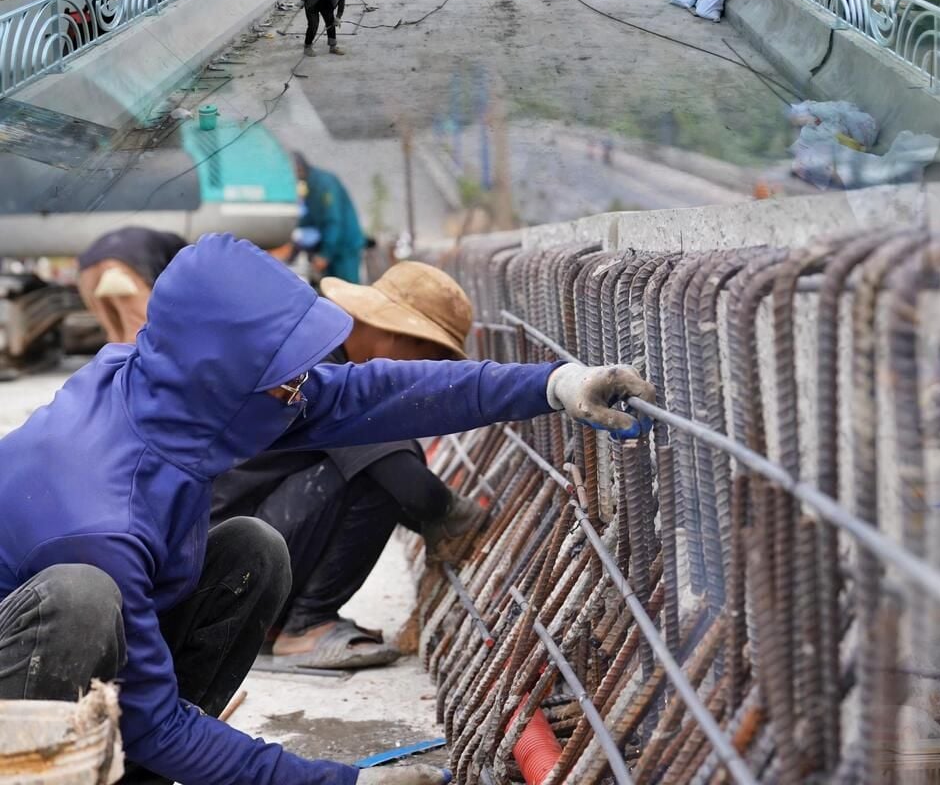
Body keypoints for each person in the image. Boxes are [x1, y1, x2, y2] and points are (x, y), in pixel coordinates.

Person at [0, 234, 652, 785]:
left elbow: (377, 393)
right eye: (286, 374)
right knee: (82, 601)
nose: (302, 388)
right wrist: (346, 782)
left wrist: (553, 384)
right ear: (225, 375)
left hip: (89, 610)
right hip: (22, 679)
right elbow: (153, 719)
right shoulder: (102, 519)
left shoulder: (173, 388)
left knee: (250, 553)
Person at [212, 261, 486, 671]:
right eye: (428, 356)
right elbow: (413, 491)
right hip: (226, 580)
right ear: (397, 332)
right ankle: (306, 626)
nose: (425, 373)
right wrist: (459, 519)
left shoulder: (314, 347)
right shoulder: (320, 370)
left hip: (224, 566)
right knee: (378, 470)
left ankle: (278, 620)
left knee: (386, 448)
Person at [77, 227, 187, 346]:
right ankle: (139, 364)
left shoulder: (156, 241)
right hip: (120, 268)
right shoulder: (181, 249)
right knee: (139, 329)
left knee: (114, 333)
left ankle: (119, 363)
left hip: (87, 272)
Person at [292, 151, 366, 284]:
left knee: (347, 292)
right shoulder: (310, 184)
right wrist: (290, 226)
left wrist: (325, 254)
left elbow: (333, 221)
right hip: (333, 246)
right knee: (332, 291)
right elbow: (312, 216)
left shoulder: (324, 184)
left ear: (299, 169)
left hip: (344, 248)